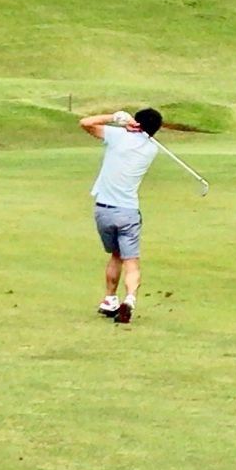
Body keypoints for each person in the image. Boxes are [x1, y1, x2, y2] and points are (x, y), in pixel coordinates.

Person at [78, 108, 163, 324]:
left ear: (136, 123)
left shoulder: (117, 136)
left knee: (115, 255)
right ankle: (130, 299)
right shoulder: (152, 148)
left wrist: (116, 118)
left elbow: (85, 122)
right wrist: (133, 127)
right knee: (131, 262)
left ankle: (110, 299)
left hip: (104, 211)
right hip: (128, 212)